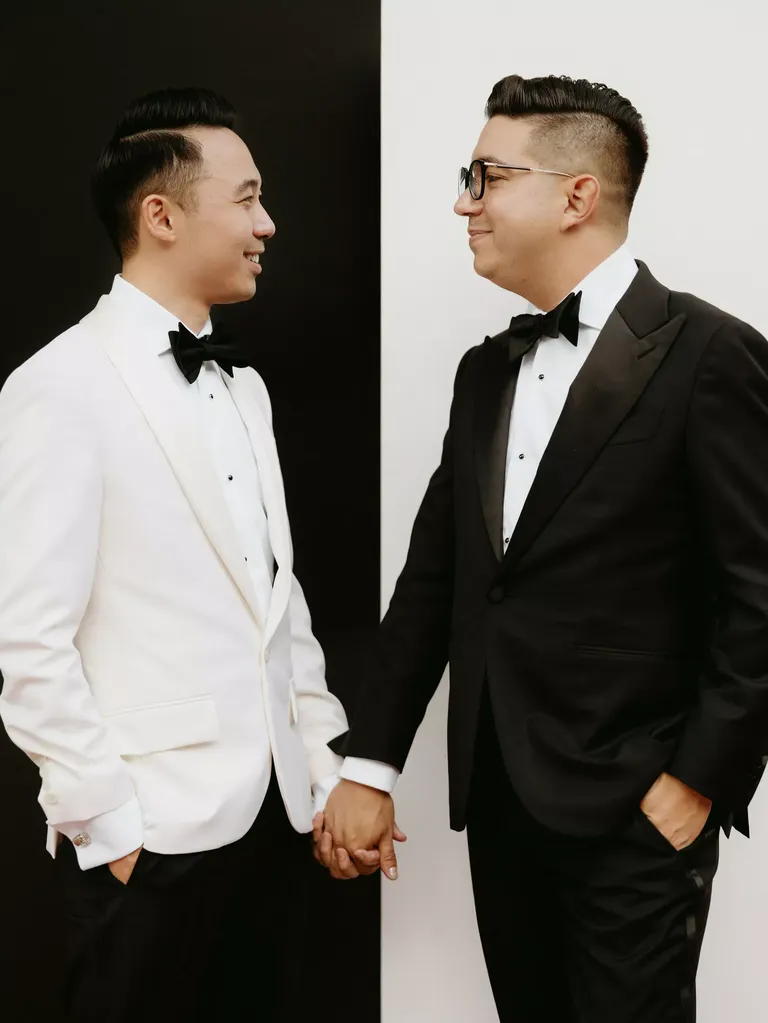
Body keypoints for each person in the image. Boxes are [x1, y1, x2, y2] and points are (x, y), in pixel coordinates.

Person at [316, 74, 768, 1021]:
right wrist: (368, 765)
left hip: (636, 815)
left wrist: (696, 782)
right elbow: (436, 581)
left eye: (485, 176)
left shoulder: (711, 353)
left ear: (577, 195)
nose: (462, 201)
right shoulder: (485, 371)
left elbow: (758, 593)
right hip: (502, 807)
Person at [0, 86, 348, 1021]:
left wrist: (323, 769)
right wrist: (108, 822)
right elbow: (28, 637)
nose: (268, 223)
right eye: (246, 198)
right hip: (148, 835)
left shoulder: (246, 388)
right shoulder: (57, 386)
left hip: (274, 821)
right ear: (160, 214)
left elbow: (279, 601)